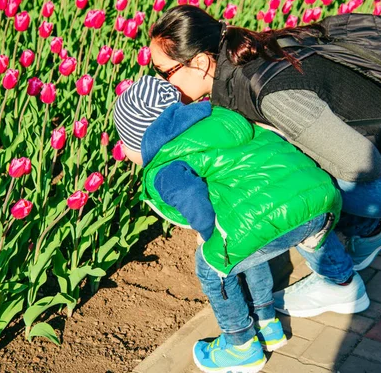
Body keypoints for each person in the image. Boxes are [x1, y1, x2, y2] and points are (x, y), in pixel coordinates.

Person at [148, 5, 381, 316]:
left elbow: (361, 165)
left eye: (165, 72)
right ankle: (373, 231)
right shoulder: (249, 56)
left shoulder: (270, 93)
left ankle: (339, 285)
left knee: (283, 182)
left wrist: (286, 144)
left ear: (201, 62)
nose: (164, 84)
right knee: (284, 163)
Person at [113, 75, 361, 373]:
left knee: (213, 264)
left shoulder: (165, 165)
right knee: (246, 247)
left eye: (125, 141)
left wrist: (209, 234)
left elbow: (189, 195)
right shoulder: (221, 117)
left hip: (273, 216)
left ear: (143, 137)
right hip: (320, 200)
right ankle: (269, 323)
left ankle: (240, 346)